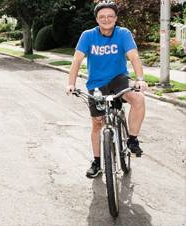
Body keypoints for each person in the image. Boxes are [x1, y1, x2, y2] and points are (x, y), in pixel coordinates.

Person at [66, 1, 147, 178]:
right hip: (96, 84)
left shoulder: (123, 33)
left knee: (138, 99)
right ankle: (97, 162)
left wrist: (140, 79)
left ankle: (132, 139)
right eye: (102, 16)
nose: (106, 19)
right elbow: (77, 61)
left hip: (119, 80)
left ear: (116, 18)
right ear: (97, 19)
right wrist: (71, 84)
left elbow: (134, 57)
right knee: (97, 123)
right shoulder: (87, 36)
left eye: (110, 16)